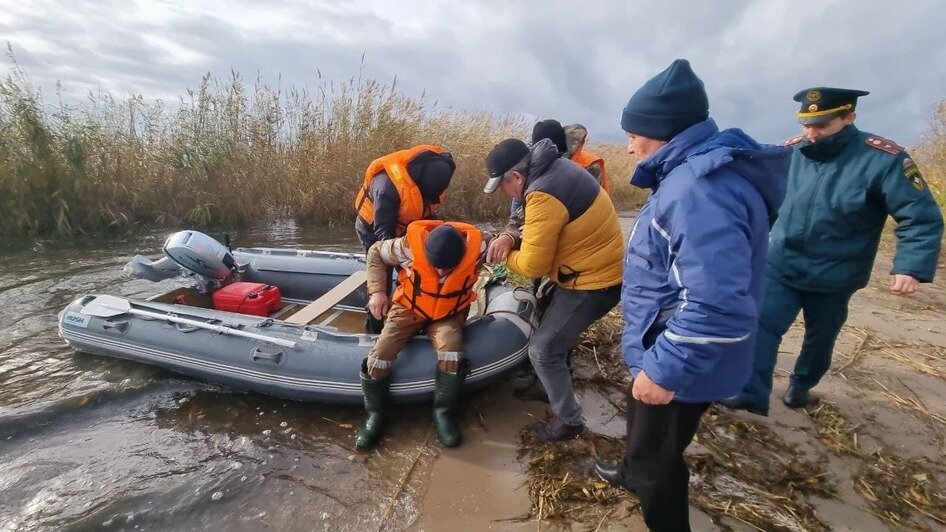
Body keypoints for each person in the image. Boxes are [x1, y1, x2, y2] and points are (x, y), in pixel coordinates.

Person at [592, 59, 790, 531]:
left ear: (662, 131)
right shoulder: (687, 176)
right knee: (646, 436)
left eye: (633, 133)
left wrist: (662, 370)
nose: (628, 147)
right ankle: (631, 471)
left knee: (660, 457)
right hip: (661, 344)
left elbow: (717, 305)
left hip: (676, 357)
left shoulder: (697, 191)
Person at [720, 87, 944, 416]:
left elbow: (920, 216)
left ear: (848, 118)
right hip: (782, 262)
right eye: (806, 124)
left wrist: (909, 266)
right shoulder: (790, 153)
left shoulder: (883, 160)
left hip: (836, 273)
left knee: (820, 337)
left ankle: (800, 386)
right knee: (760, 323)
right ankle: (749, 392)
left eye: (822, 125)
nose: (811, 133)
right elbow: (765, 203)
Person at [483, 136, 624, 442]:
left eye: (503, 187)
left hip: (594, 281)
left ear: (516, 177)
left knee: (543, 349)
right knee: (545, 319)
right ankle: (545, 386)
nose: (504, 195)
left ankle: (569, 421)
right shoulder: (553, 167)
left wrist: (504, 255)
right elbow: (533, 230)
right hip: (588, 266)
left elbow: (533, 266)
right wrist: (509, 237)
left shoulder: (542, 193)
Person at [356, 220, 487, 450]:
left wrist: (508, 238)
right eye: (437, 267)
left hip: (449, 312)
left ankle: (442, 412)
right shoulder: (407, 246)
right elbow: (376, 252)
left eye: (447, 269)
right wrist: (377, 292)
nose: (441, 273)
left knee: (452, 352)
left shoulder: (480, 245)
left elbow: (511, 236)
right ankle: (375, 414)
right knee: (380, 353)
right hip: (409, 308)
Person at [354, 145, 456, 251]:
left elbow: (428, 217)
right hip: (374, 228)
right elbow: (383, 234)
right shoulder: (387, 187)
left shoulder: (437, 179)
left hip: (407, 226)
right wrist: (401, 257)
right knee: (383, 259)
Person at [565, 123, 610, 193]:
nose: (575, 143)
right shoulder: (553, 158)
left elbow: (593, 193)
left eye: (579, 140)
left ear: (582, 142)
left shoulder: (592, 163)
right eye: (571, 139)